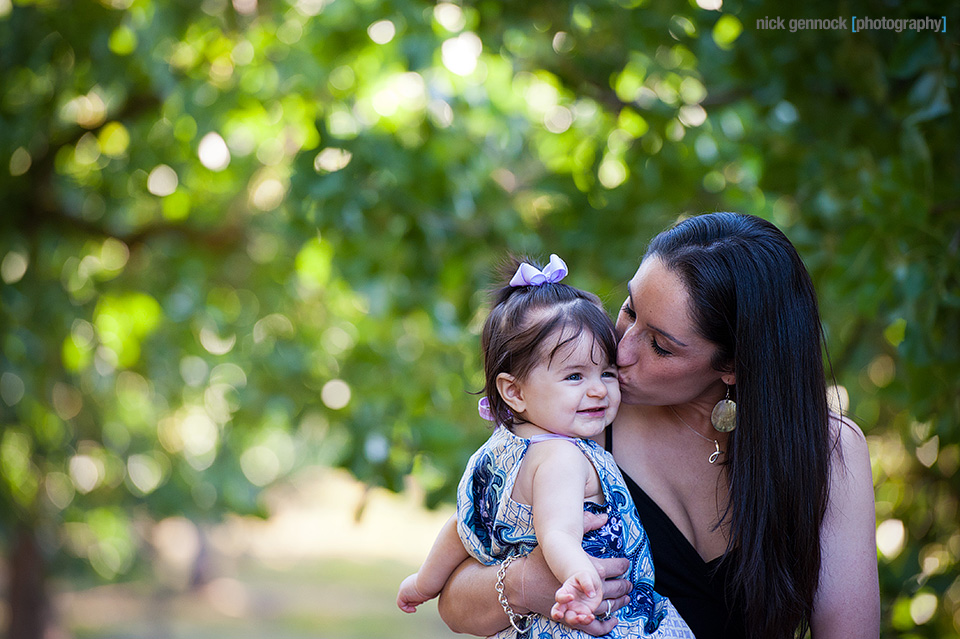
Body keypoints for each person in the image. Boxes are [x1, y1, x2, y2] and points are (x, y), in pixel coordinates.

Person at [436, 213, 880, 639]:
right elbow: (453, 602)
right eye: (629, 310)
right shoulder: (581, 423)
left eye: (660, 346)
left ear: (731, 366)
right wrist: (524, 583)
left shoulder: (827, 450)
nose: (620, 351)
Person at [397, 254, 694, 638]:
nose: (597, 389)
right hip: (594, 620)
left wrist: (423, 582)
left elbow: (463, 526)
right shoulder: (563, 458)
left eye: (606, 372)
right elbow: (558, 533)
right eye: (574, 376)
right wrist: (580, 576)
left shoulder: (497, 453)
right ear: (514, 391)